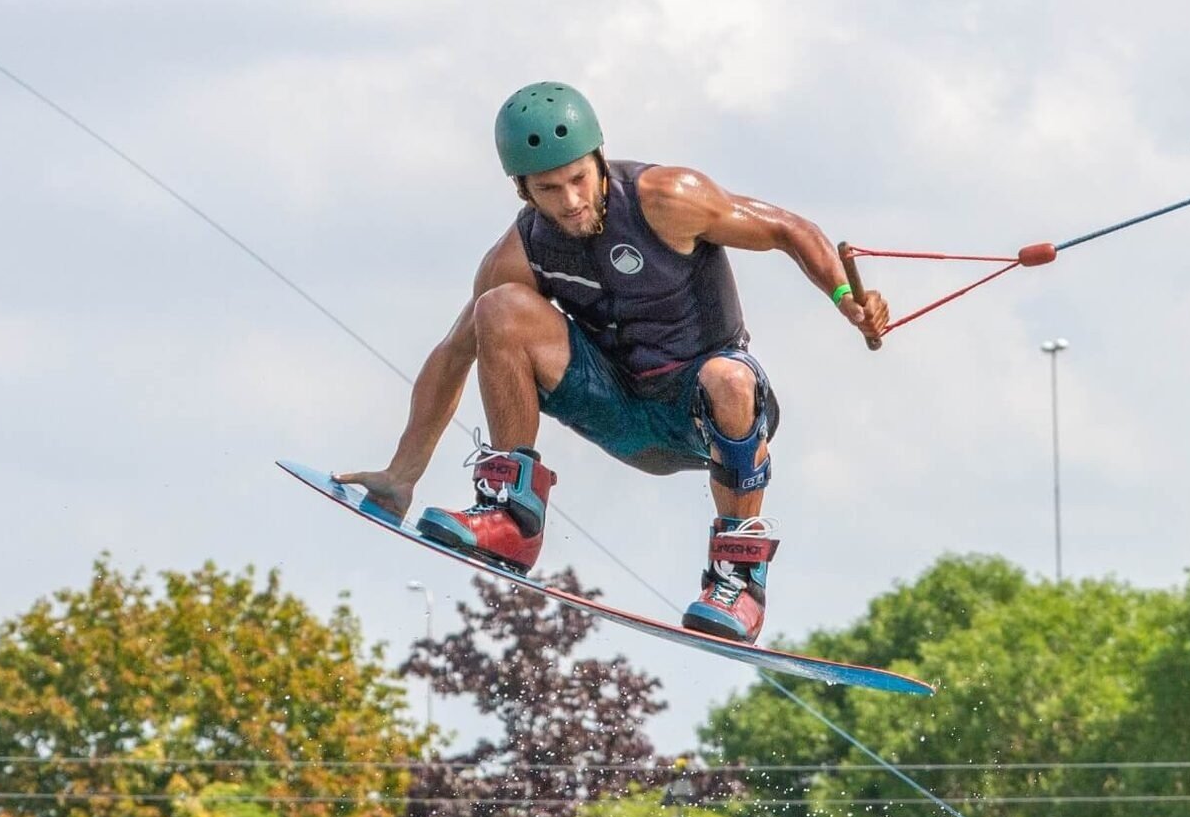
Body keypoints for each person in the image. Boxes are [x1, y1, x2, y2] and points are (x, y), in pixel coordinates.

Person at [336, 82, 890, 645]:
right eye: (549, 189)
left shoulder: (669, 198)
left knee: (728, 376)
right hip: (618, 411)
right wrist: (402, 475)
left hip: (700, 413)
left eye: (579, 178)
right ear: (523, 190)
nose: (571, 200)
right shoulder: (521, 251)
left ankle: (739, 581)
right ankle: (512, 519)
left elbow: (787, 230)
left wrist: (847, 300)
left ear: (599, 158)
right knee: (496, 310)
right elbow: (455, 353)